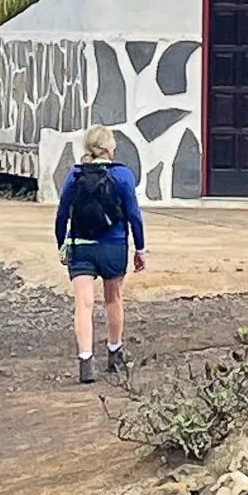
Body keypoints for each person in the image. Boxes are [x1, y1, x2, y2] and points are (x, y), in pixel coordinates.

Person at [54, 124, 146, 384]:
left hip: (81, 245)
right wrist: (140, 248)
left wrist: (62, 244)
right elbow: (134, 216)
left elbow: (62, 214)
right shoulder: (123, 175)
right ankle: (114, 353)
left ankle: (85, 361)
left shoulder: (74, 175)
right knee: (113, 299)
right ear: (109, 148)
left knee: (83, 303)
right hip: (113, 246)